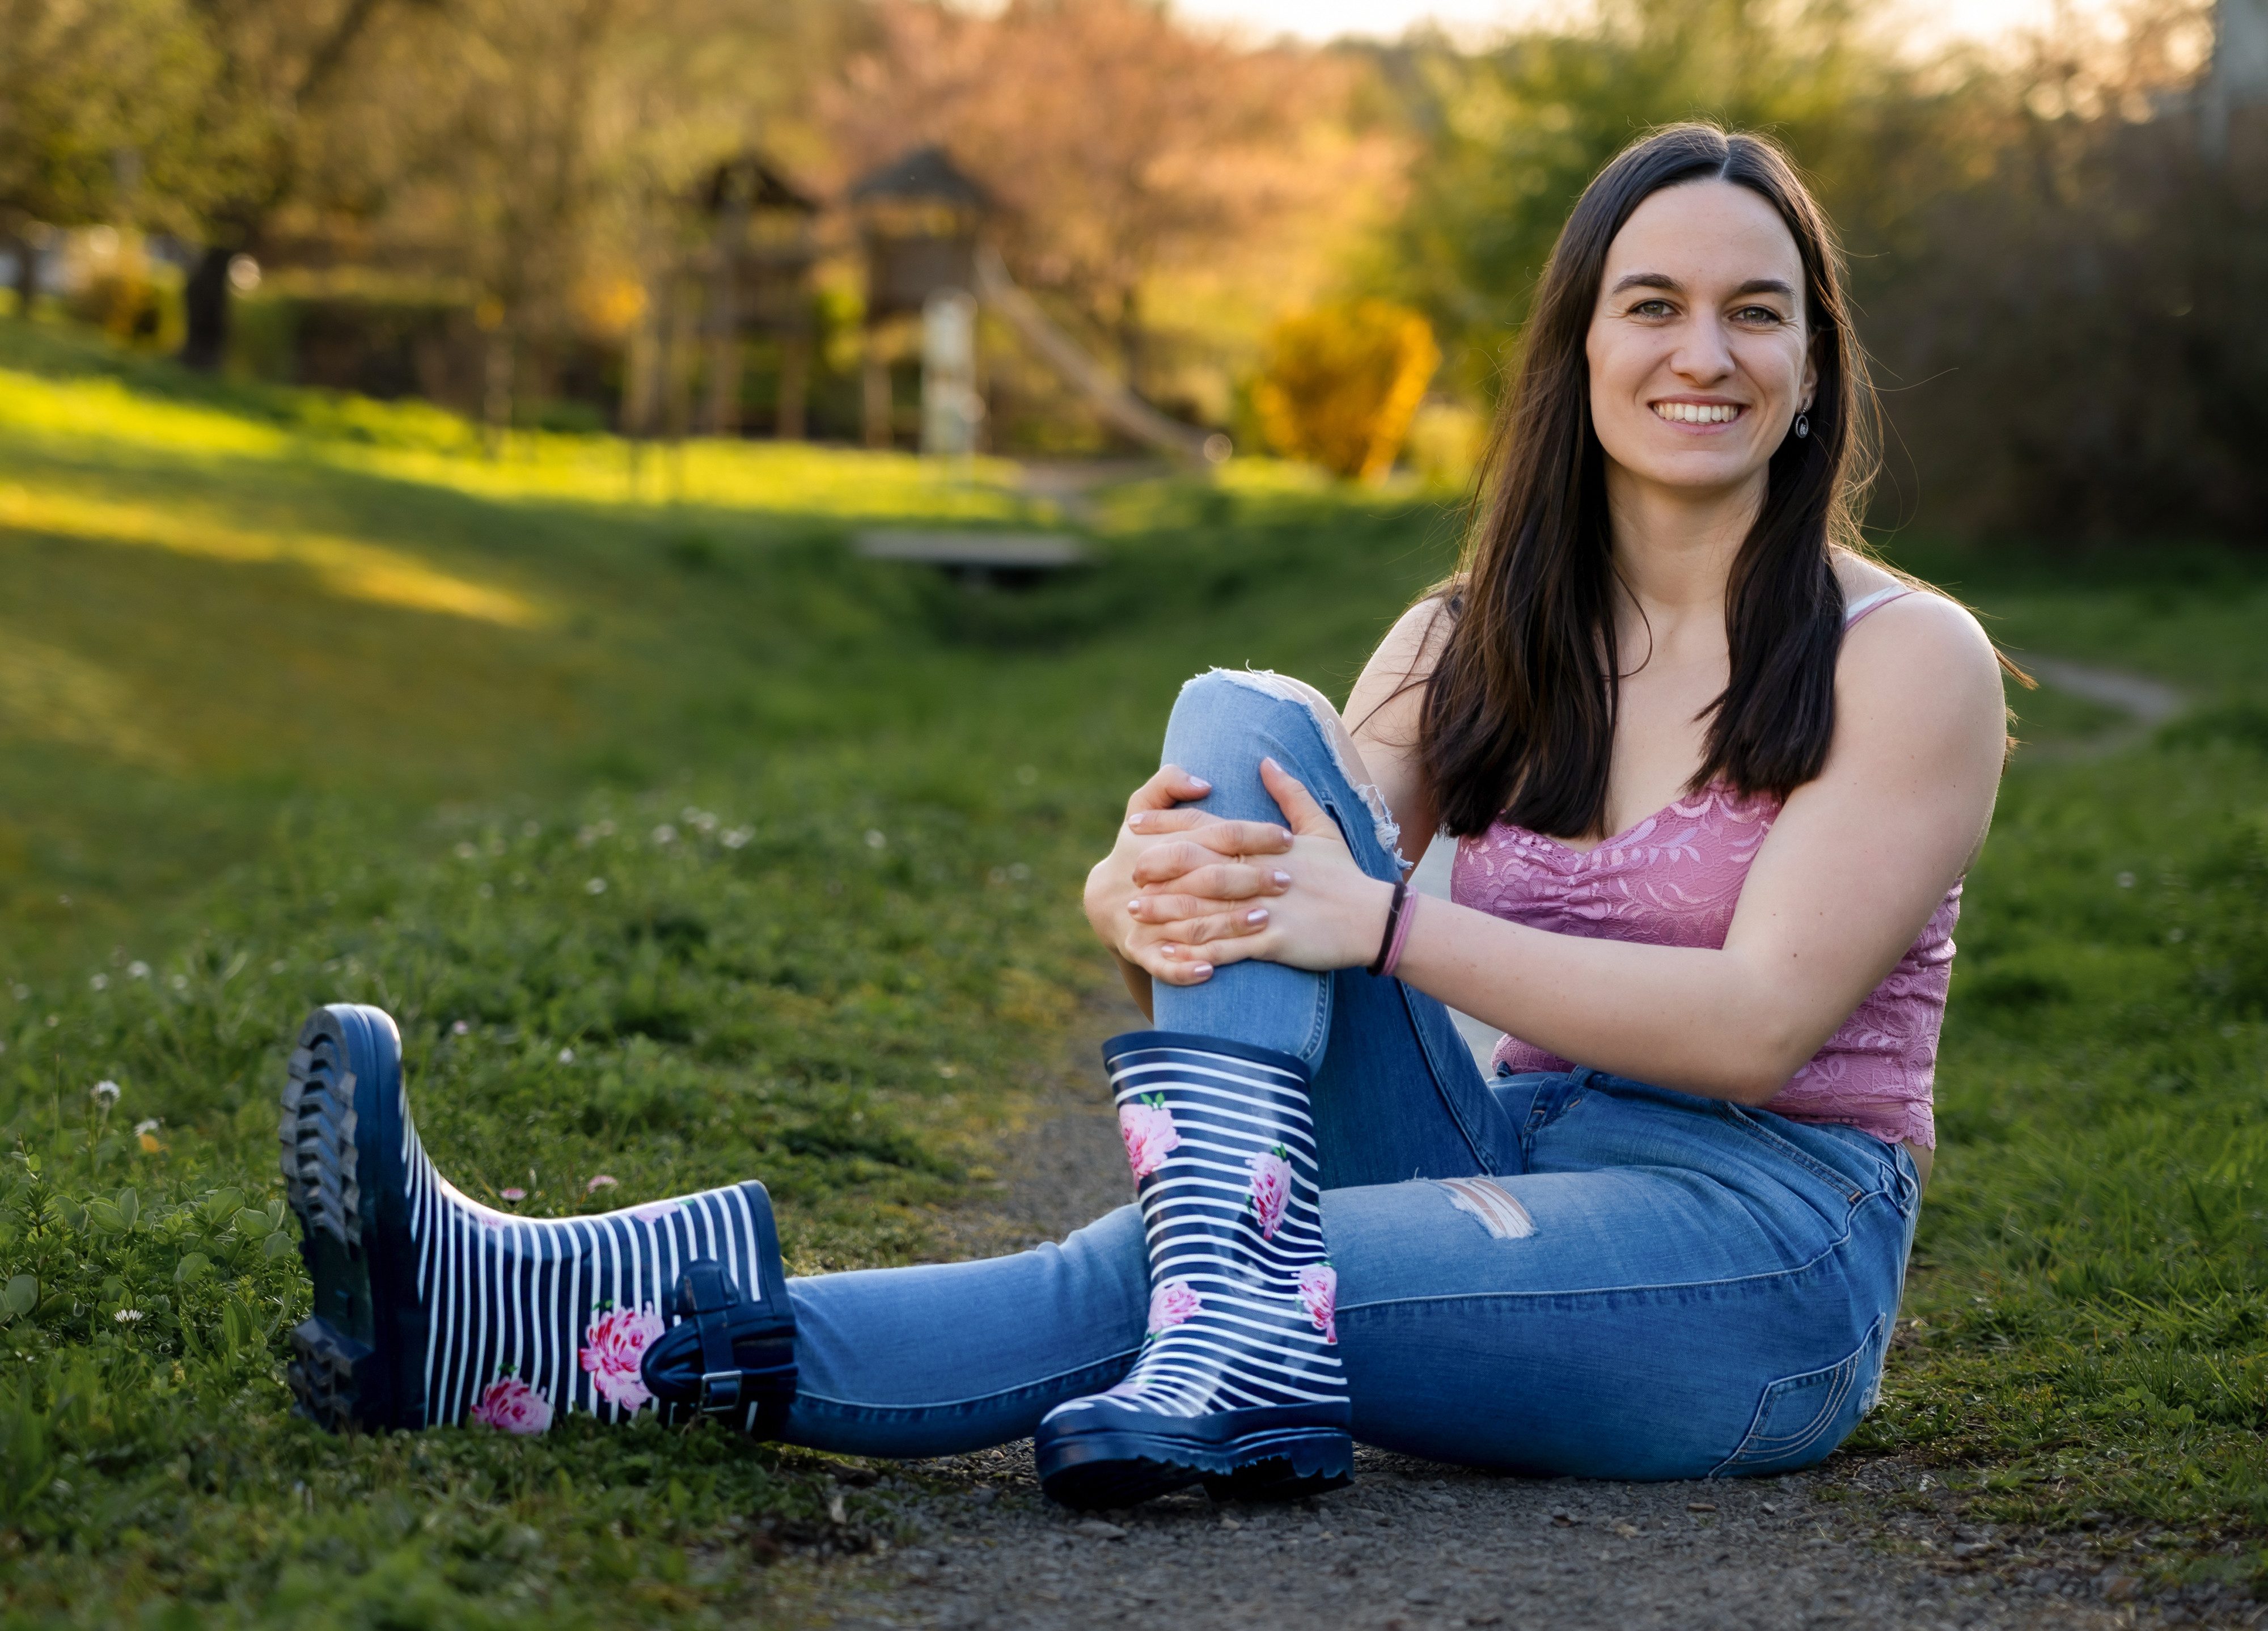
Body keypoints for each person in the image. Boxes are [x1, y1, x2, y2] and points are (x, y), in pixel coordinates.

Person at [277, 124, 2011, 1511]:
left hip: (1757, 1258)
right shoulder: (1473, 633)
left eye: (1755, 310)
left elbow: (1762, 1022)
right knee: (1240, 717)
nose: (1701, 351)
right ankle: (1221, 1325)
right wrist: (1143, 900)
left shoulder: (1906, 659)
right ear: (1579, 344)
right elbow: (1256, 905)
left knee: (1197, 1266)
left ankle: (550, 1327)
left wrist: (1393, 924)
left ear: (1811, 364)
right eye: (1652, 303)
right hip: (1507, 1162)